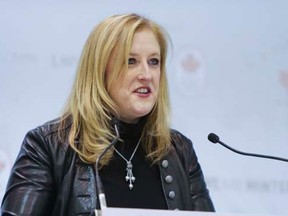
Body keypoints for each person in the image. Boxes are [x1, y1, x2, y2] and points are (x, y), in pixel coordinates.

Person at [1, 13, 215, 215]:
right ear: (99, 70)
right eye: (131, 61)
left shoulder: (179, 151)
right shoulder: (48, 146)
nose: (146, 75)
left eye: (153, 62)